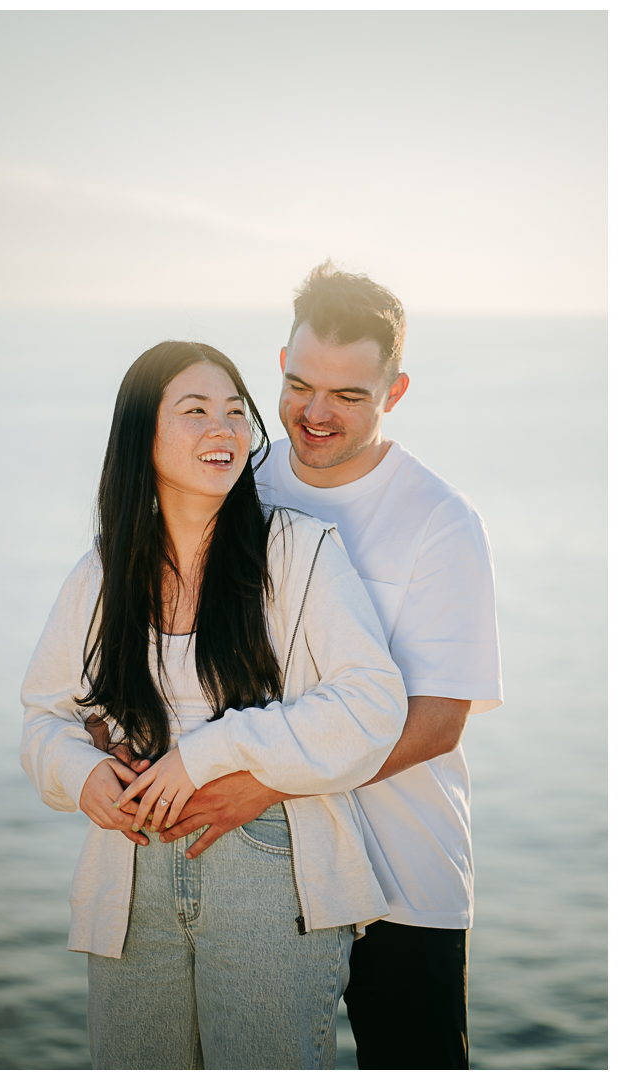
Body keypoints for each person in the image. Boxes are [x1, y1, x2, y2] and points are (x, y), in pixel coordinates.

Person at [20, 340, 408, 1070]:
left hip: (272, 861)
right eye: (194, 411)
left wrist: (208, 751)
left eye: (235, 412)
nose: (223, 430)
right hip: (130, 868)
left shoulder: (299, 551)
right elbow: (44, 718)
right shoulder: (104, 571)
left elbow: (372, 705)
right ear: (144, 434)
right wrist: (85, 777)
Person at [158, 265, 503, 1070]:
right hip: (266, 866)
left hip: (402, 875)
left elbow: (438, 720)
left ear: (397, 388)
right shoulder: (238, 482)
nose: (315, 414)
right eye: (299, 384)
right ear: (279, 361)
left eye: (349, 396)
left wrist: (268, 782)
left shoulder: (440, 522)